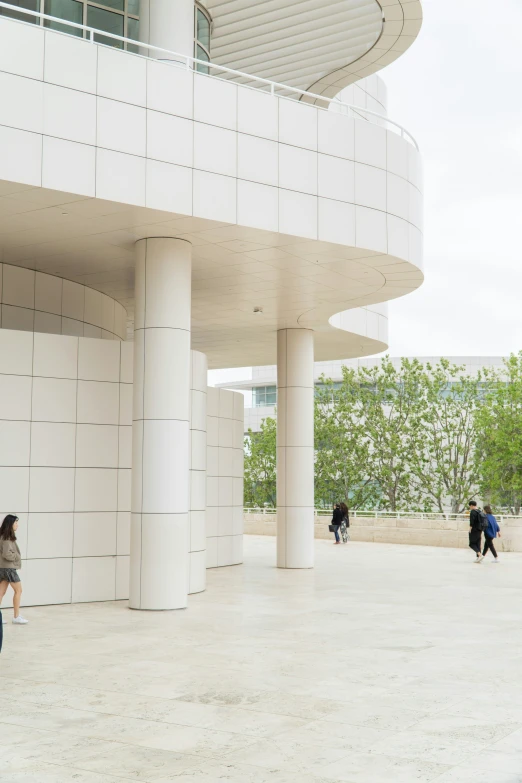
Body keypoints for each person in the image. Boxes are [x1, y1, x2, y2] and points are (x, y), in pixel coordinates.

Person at [0, 515, 28, 624]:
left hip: (3, 568)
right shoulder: (7, 538)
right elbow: (7, 554)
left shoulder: (3, 536)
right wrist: (16, 556)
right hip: (9, 569)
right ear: (10, 524)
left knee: (1, 592)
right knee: (18, 590)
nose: (17, 525)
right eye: (16, 522)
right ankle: (16, 617)